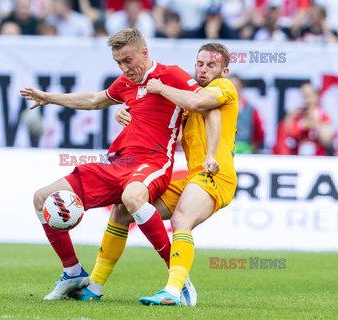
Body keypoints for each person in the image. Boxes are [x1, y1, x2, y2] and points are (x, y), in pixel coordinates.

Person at [20, 28, 218, 301]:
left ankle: (178, 279)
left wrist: (211, 154)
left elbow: (206, 104)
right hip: (119, 162)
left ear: (145, 52)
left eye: (128, 60)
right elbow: (92, 101)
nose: (124, 68)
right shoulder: (125, 83)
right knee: (42, 198)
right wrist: (49, 97)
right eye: (118, 63)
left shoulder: (170, 74)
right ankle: (73, 272)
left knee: (132, 197)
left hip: (154, 161)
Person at [68, 43, 236, 305]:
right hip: (194, 177)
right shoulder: (187, 97)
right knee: (122, 210)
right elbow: (167, 129)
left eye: (211, 65)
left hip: (217, 176)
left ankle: (174, 289)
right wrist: (128, 112)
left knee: (181, 220)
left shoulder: (223, 88)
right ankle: (95, 286)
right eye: (200, 63)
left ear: (224, 70)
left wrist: (160, 88)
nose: (203, 69)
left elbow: (198, 102)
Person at [272, 82, 334, 156]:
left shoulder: (323, 116)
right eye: (303, 97)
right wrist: (290, 117)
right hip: (298, 159)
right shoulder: (297, 117)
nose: (306, 100)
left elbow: (327, 140)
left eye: (308, 96)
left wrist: (315, 122)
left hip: (318, 159)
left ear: (316, 97)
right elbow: (287, 137)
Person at [229, 74, 264, 154]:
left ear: (241, 86)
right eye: (230, 86)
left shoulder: (251, 109)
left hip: (245, 149)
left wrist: (255, 147)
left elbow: (258, 132)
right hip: (225, 147)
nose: (233, 89)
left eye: (236, 86)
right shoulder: (219, 108)